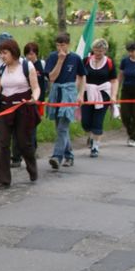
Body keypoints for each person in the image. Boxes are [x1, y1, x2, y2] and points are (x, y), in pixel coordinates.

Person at [0, 38, 41, 188]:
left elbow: (36, 88)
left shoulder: (27, 66)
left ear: (13, 53)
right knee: (2, 143)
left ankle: (32, 168)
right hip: (5, 108)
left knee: (23, 143)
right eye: (0, 53)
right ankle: (3, 180)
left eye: (5, 52)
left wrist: (34, 98)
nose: (2, 56)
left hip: (23, 108)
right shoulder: (1, 69)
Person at [44, 32, 86, 169]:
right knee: (59, 127)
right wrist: (60, 61)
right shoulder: (52, 57)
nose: (60, 48)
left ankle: (57, 157)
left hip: (69, 93)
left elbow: (82, 75)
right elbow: (51, 78)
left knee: (63, 126)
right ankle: (69, 155)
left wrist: (80, 94)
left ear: (68, 44)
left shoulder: (75, 58)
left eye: (62, 45)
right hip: (56, 92)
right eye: (57, 45)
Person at [80, 39, 118, 158]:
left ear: (105, 51)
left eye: (100, 51)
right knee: (86, 122)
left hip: (103, 94)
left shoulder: (109, 63)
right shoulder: (86, 61)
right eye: (96, 50)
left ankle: (95, 145)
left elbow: (114, 80)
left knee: (98, 121)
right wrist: (79, 93)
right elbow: (80, 77)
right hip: (87, 93)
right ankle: (91, 135)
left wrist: (113, 95)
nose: (98, 53)